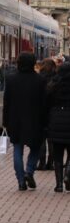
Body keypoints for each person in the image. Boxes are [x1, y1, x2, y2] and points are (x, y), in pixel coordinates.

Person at [3, 51, 47, 191]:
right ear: (34, 63)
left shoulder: (10, 79)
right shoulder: (40, 80)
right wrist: (45, 122)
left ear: (18, 63)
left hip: (15, 121)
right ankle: (29, 171)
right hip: (35, 121)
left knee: (17, 149)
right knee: (35, 148)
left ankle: (21, 180)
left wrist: (5, 122)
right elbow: (44, 103)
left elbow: (6, 103)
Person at [46, 63, 70, 192]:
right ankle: (68, 176)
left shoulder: (53, 85)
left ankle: (59, 184)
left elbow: (47, 104)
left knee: (57, 156)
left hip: (55, 123)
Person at [36, 58, 57, 170]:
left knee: (41, 140)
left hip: (40, 113)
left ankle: (41, 163)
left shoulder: (38, 79)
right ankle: (51, 163)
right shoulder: (57, 79)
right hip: (53, 113)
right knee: (52, 140)